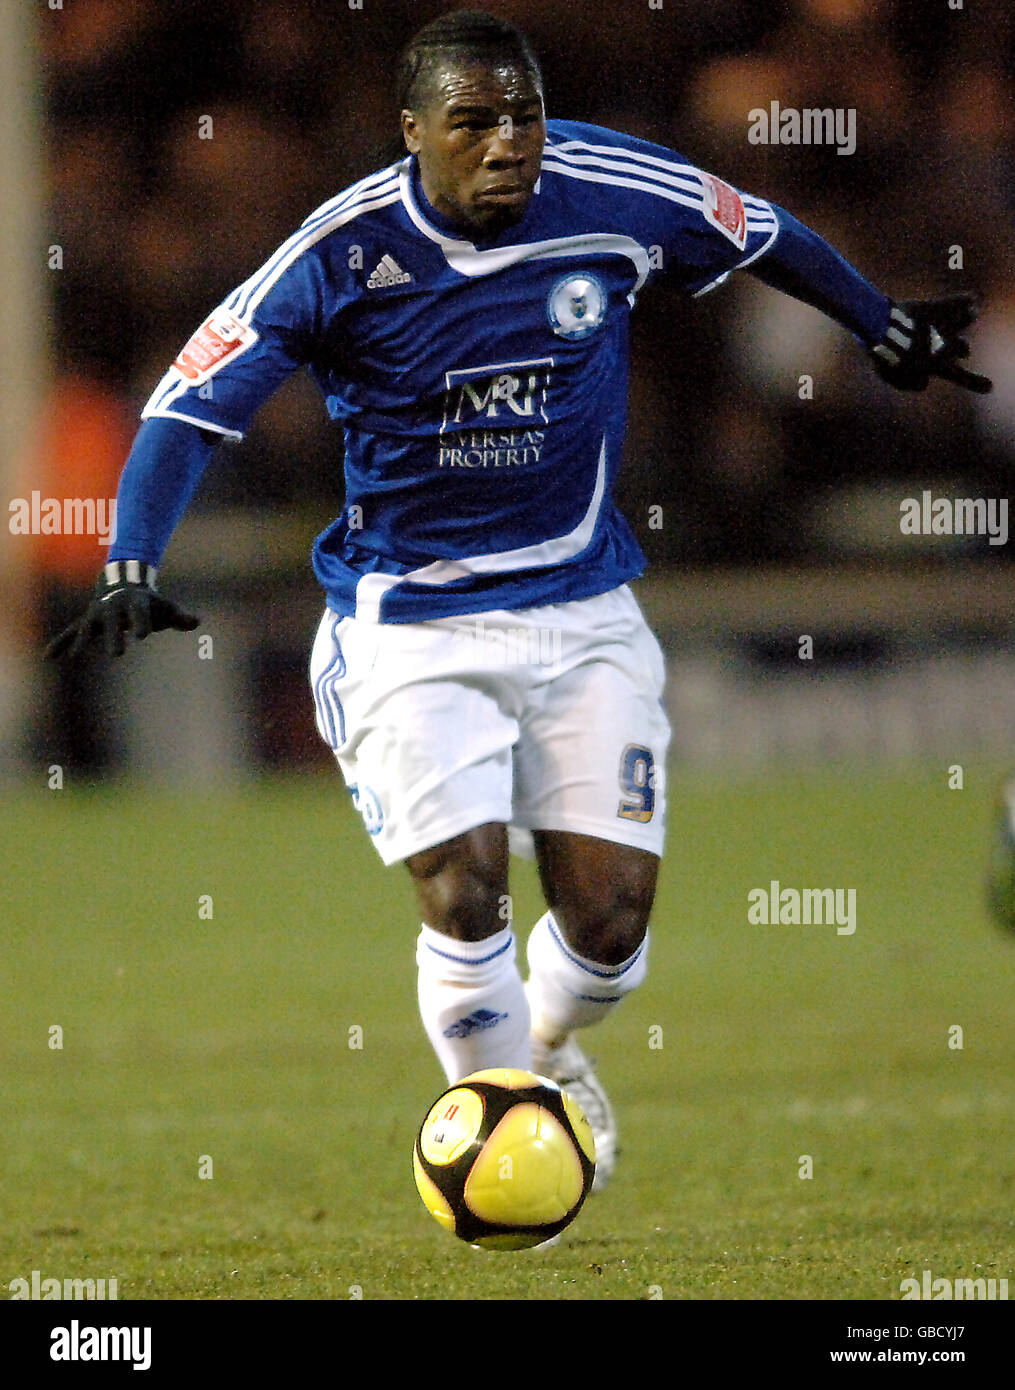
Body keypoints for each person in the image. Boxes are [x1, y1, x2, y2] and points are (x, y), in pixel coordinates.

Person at [47, 9, 991, 1190]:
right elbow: (189, 405)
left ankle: (546, 1047)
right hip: (410, 629)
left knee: (609, 933)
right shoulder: (339, 254)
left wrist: (880, 324)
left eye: (525, 117)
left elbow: (762, 232)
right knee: (465, 886)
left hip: (583, 613)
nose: (508, 144)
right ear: (412, 134)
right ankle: (501, 1117)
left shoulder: (614, 186)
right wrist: (133, 556)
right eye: (475, 123)